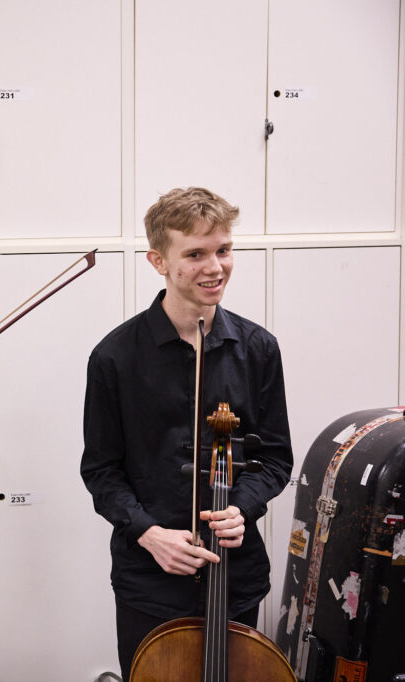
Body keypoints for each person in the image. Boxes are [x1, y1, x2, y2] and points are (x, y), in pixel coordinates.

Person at [80, 187, 293, 680]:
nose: (214, 267)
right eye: (195, 254)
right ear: (158, 260)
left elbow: (276, 459)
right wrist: (150, 534)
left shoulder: (258, 348)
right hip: (149, 580)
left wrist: (243, 507)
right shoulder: (114, 357)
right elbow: (101, 472)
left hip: (234, 575)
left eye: (223, 250)